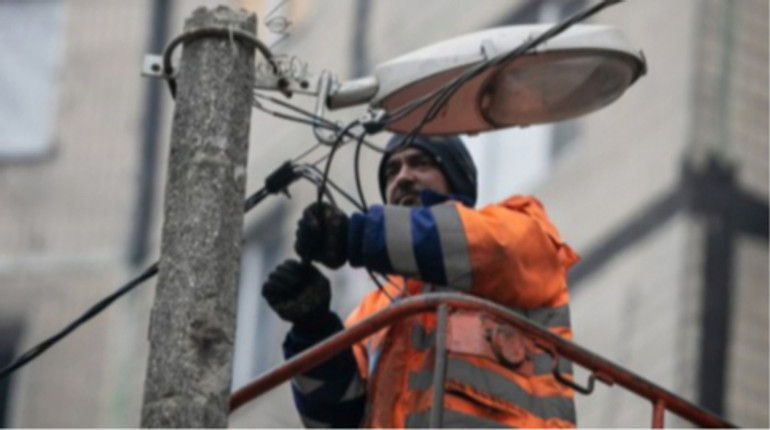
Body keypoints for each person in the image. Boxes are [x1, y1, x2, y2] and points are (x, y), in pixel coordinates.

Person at [261, 134, 580, 428]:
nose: (402, 177)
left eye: (420, 163)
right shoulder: (373, 313)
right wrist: (313, 330)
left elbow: (487, 246)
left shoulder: (522, 230)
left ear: (456, 179)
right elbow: (338, 422)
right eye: (391, 171)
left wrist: (356, 236)